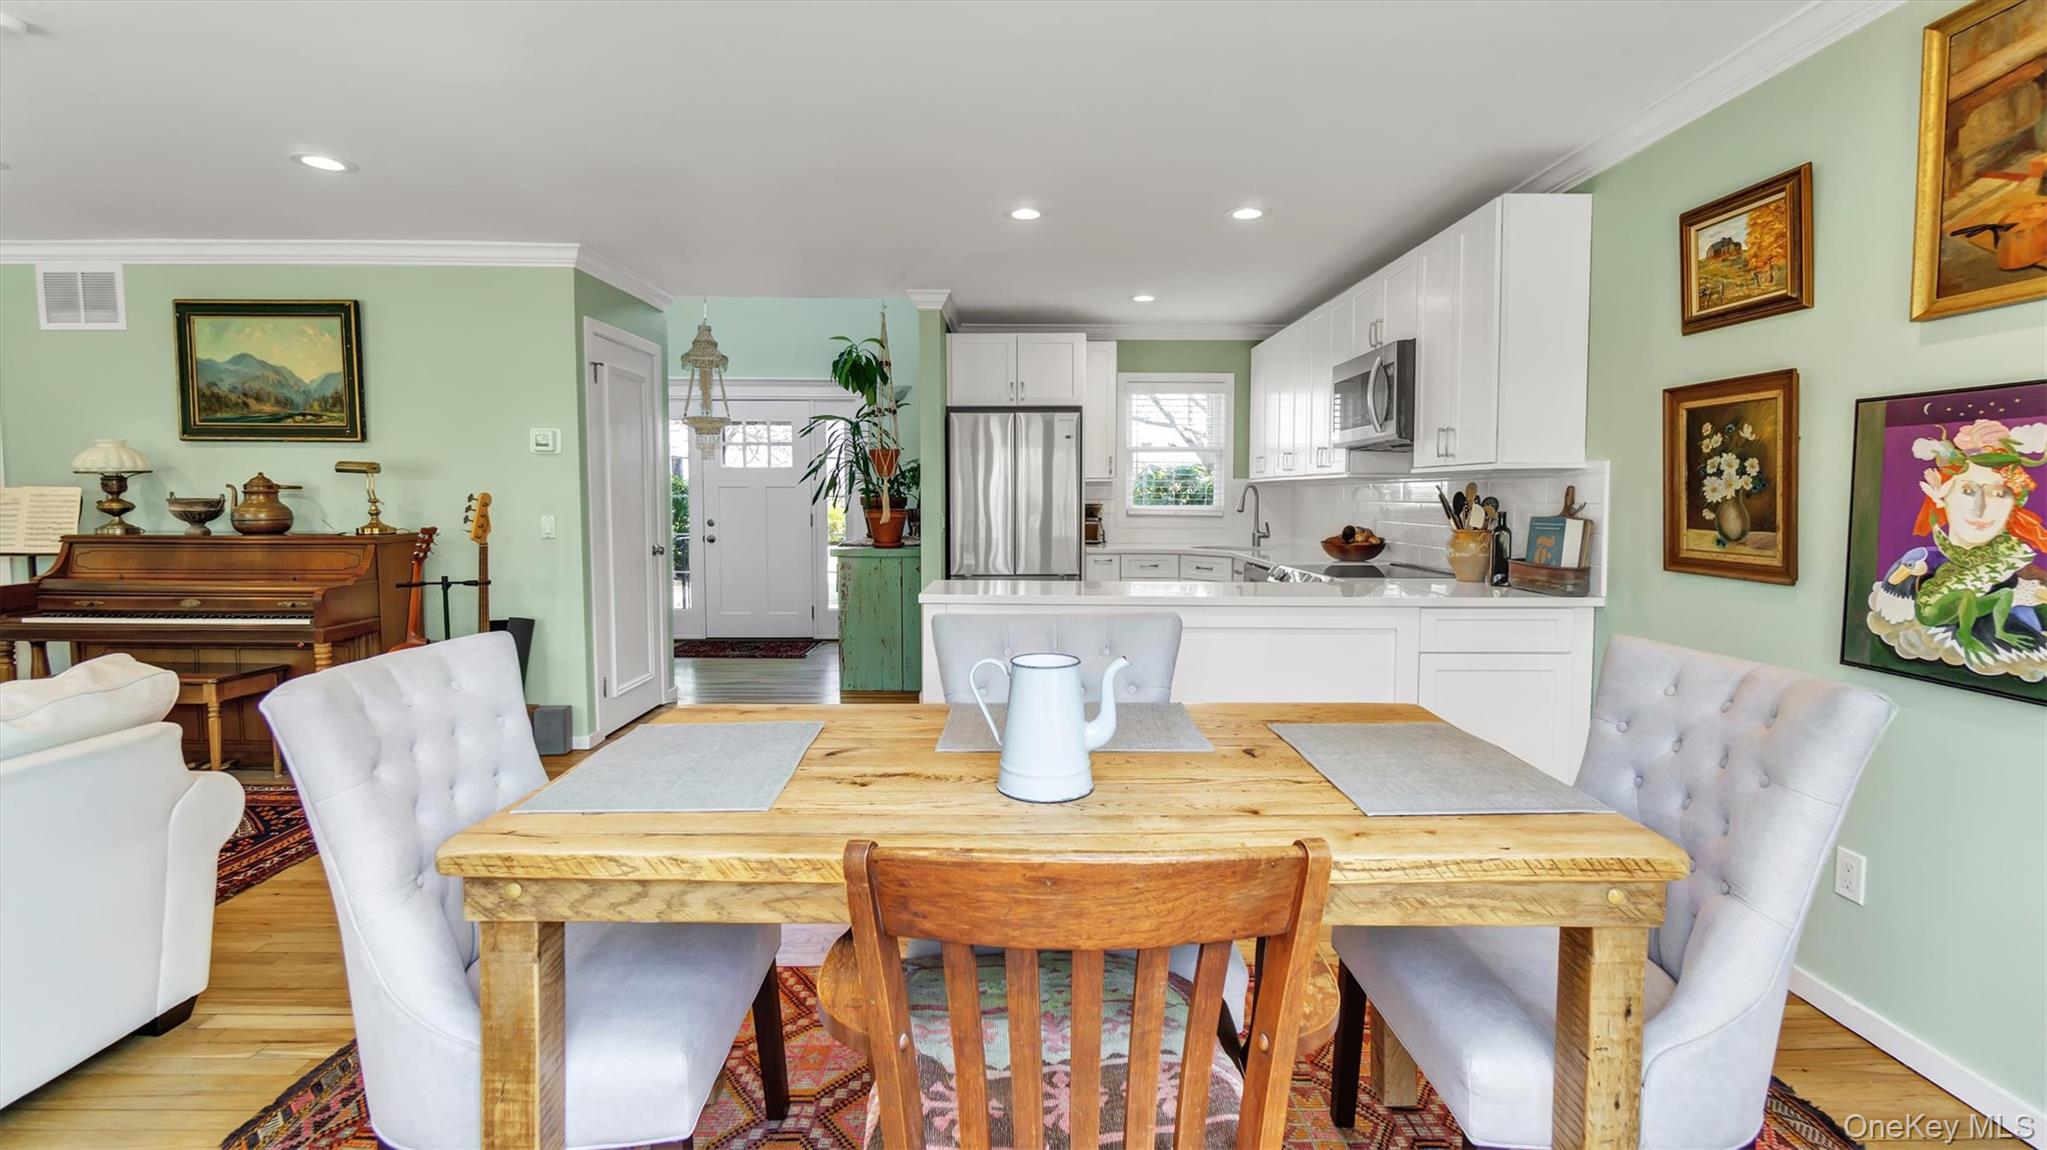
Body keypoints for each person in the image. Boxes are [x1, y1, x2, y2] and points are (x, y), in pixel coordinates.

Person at [1870, 418, 2047, 677]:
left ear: (2014, 505)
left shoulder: (2021, 576)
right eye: (1967, 490)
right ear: (1941, 497)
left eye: (1999, 494)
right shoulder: (1921, 562)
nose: (1981, 508)